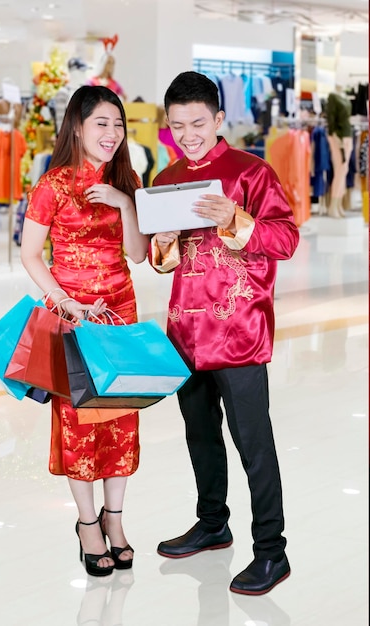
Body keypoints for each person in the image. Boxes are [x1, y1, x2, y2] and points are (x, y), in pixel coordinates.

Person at [149, 71, 299, 596]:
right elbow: (165, 264)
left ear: (218, 119)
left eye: (197, 123)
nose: (188, 135)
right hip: (185, 334)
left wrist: (237, 218)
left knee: (253, 444)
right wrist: (163, 242)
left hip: (239, 331)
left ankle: (271, 552)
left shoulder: (250, 173)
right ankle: (212, 523)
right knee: (201, 438)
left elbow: (286, 239)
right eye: (177, 126)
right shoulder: (166, 180)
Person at [20, 85, 149, 577]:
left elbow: (137, 255)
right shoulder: (51, 185)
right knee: (78, 421)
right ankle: (87, 524)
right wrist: (64, 301)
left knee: (122, 418)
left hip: (119, 313)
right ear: (77, 126)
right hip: (73, 316)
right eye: (102, 123)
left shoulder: (127, 179)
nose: (112, 133)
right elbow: (31, 253)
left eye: (118, 125)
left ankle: (115, 521)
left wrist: (124, 202)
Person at [325, 86, 353, 218]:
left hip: (347, 135)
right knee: (339, 171)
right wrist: (335, 136)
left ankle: (339, 204)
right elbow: (330, 119)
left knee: (344, 171)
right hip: (338, 136)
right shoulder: (333, 97)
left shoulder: (345, 97)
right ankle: (333, 206)